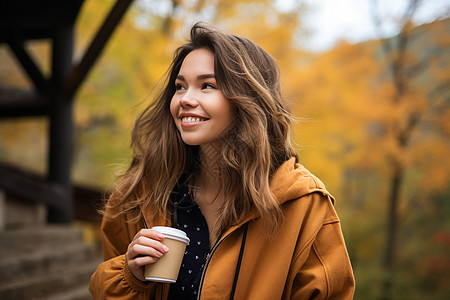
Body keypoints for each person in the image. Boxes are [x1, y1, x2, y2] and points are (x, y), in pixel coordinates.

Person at [89, 22, 355, 299]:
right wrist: (129, 275)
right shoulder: (139, 194)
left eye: (207, 86)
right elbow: (102, 287)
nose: (185, 99)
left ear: (248, 100)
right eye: (180, 87)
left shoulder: (303, 203)